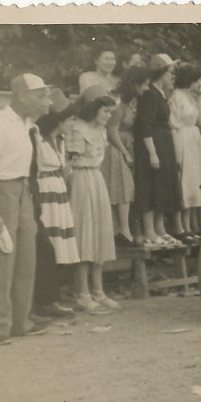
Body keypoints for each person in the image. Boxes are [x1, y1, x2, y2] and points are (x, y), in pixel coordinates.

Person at [0, 73, 53, 343]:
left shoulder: (27, 123)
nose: (44, 101)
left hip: (22, 191)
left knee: (26, 260)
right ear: (20, 95)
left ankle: (21, 322)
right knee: (0, 261)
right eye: (39, 95)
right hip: (0, 189)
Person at [65, 86, 121, 314]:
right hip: (80, 181)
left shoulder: (100, 130)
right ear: (94, 108)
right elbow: (69, 164)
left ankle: (98, 290)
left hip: (96, 181)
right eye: (106, 111)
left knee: (98, 235)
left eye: (110, 111)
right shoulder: (77, 129)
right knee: (84, 236)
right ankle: (82, 293)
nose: (109, 116)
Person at [30, 88, 81, 320]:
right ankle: (44, 300)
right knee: (48, 245)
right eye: (70, 119)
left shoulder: (60, 141)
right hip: (45, 191)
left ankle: (54, 297)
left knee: (59, 246)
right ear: (57, 120)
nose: (73, 124)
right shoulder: (38, 138)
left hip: (58, 191)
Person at [133, 53, 184, 247]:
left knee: (163, 184)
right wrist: (152, 153)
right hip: (152, 144)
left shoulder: (160, 94)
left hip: (164, 142)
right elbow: (145, 126)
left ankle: (159, 229)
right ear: (161, 73)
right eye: (170, 71)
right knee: (151, 185)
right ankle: (149, 231)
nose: (172, 75)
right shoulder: (149, 94)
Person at [101, 66, 148, 248]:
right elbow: (111, 130)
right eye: (143, 85)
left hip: (129, 143)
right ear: (134, 84)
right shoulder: (118, 101)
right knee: (122, 186)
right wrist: (125, 152)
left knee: (125, 187)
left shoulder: (134, 101)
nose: (145, 88)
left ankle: (121, 229)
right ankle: (122, 229)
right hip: (115, 146)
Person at [170, 63, 201, 242]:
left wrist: (200, 99)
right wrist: (177, 151)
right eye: (198, 81)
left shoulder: (192, 97)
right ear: (190, 81)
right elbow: (172, 124)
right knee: (185, 182)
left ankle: (191, 226)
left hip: (194, 139)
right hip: (182, 139)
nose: (200, 84)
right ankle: (182, 226)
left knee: (195, 182)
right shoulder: (175, 97)